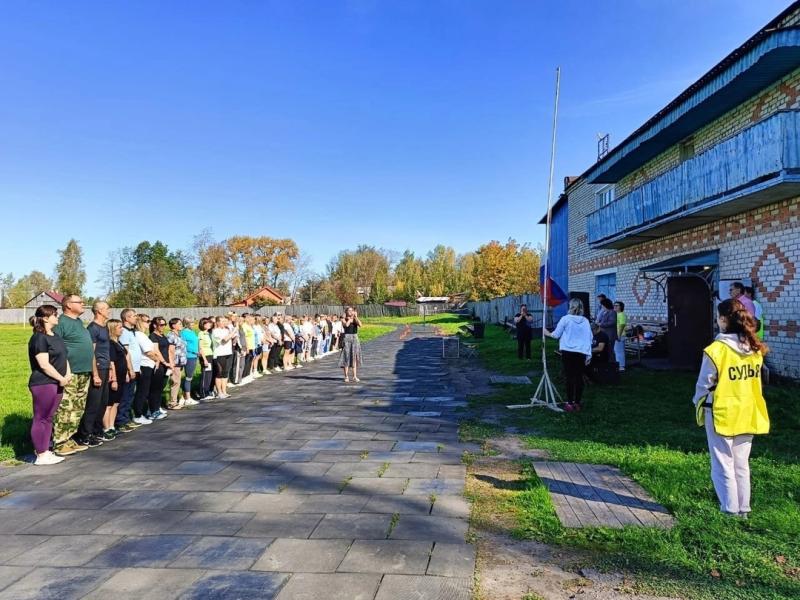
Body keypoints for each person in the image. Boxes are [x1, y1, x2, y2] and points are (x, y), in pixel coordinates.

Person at [693, 299, 770, 518]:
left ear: (724, 319)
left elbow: (704, 384)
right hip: (749, 411)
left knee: (722, 463)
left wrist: (697, 402)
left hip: (721, 413)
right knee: (741, 464)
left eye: (718, 316)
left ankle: (729, 510)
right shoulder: (755, 349)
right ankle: (743, 510)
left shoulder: (715, 350)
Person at [28, 305, 71, 465]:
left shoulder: (56, 336)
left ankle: (46, 450)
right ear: (45, 318)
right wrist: (60, 378)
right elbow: (44, 364)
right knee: (41, 417)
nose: (57, 317)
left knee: (49, 417)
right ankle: (40, 454)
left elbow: (64, 357)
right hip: (44, 383)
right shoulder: (39, 338)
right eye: (54, 314)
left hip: (58, 381)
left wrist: (67, 374)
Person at [52, 295, 94, 456]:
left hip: (84, 371)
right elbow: (55, 347)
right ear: (68, 305)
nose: (83, 304)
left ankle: (69, 437)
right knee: (66, 407)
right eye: (80, 302)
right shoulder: (61, 323)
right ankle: (59, 441)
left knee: (78, 407)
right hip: (70, 372)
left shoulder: (78, 322)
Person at [544, 298, 592, 412]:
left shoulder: (565, 319)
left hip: (568, 352)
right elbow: (589, 338)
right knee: (579, 377)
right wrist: (589, 354)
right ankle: (577, 402)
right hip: (581, 352)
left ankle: (570, 403)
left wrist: (547, 333)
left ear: (570, 306)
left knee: (570, 377)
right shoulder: (585, 321)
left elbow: (556, 335)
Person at [78, 300, 112, 445]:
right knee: (93, 403)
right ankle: (85, 434)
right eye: (107, 309)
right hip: (97, 369)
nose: (109, 311)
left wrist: (110, 369)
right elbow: (91, 351)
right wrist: (95, 374)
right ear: (99, 311)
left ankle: (97, 431)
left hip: (105, 368)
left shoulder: (105, 328)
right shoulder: (93, 328)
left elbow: (106, 350)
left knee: (103, 403)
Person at [116, 308, 141, 432]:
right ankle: (121, 421)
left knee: (130, 394)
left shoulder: (132, 332)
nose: (136, 318)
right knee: (125, 396)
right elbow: (125, 353)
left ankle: (126, 418)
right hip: (129, 369)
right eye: (134, 316)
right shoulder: (124, 332)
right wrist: (129, 369)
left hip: (135, 368)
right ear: (126, 318)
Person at [105, 318, 128, 438]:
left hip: (122, 376)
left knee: (116, 403)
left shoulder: (118, 342)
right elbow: (112, 362)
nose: (122, 329)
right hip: (115, 377)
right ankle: (107, 427)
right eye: (119, 327)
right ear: (113, 329)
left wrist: (127, 373)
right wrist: (113, 379)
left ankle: (112, 426)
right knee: (109, 403)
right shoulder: (110, 344)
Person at [148, 316, 171, 419]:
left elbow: (168, 349)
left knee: (161, 387)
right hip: (159, 365)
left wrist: (170, 362)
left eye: (164, 324)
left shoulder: (163, 336)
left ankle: (157, 407)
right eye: (161, 325)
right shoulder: (153, 336)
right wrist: (164, 362)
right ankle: (152, 410)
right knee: (155, 388)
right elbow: (156, 351)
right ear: (154, 325)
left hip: (167, 365)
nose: (163, 326)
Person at [167, 318, 188, 410]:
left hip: (181, 362)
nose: (181, 325)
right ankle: (172, 403)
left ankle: (175, 400)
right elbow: (170, 350)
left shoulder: (179, 335)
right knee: (175, 382)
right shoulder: (171, 335)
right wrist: (171, 363)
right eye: (179, 324)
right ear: (173, 325)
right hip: (175, 362)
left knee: (178, 381)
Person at [212, 316, 236, 398]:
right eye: (221, 321)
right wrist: (233, 332)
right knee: (219, 373)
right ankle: (219, 392)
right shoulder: (215, 331)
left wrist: (233, 333)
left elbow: (233, 338)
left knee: (225, 373)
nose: (223, 323)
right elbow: (224, 340)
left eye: (224, 321)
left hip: (228, 353)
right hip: (219, 354)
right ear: (217, 322)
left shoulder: (226, 330)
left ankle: (224, 391)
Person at [339, 307, 363, 382]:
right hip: (347, 338)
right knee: (346, 357)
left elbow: (360, 325)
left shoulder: (355, 319)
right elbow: (346, 325)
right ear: (346, 312)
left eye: (352, 310)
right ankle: (346, 376)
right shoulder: (343, 319)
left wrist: (356, 317)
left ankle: (354, 376)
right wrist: (349, 318)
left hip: (355, 337)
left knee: (354, 357)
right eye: (349, 310)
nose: (351, 312)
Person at [181, 318, 201, 401]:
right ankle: (187, 397)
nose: (193, 325)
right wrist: (194, 351)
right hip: (189, 356)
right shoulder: (183, 333)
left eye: (193, 323)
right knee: (188, 377)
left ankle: (187, 394)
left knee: (191, 376)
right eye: (191, 324)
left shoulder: (192, 332)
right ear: (186, 324)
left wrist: (198, 350)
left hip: (194, 356)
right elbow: (184, 345)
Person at [197, 317, 215, 399]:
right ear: (203, 325)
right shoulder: (201, 334)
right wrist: (204, 359)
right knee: (205, 374)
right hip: (205, 356)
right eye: (207, 323)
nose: (209, 325)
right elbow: (200, 347)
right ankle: (203, 393)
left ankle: (207, 391)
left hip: (210, 354)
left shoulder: (208, 333)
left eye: (209, 323)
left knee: (209, 374)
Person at [613, 301, 627, 371]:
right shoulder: (617, 314)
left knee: (619, 351)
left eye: (617, 305)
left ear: (621, 307)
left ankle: (621, 366)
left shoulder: (621, 314)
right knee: (617, 351)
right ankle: (619, 365)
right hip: (617, 334)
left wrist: (618, 335)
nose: (615, 306)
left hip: (620, 335)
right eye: (614, 305)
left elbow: (622, 325)